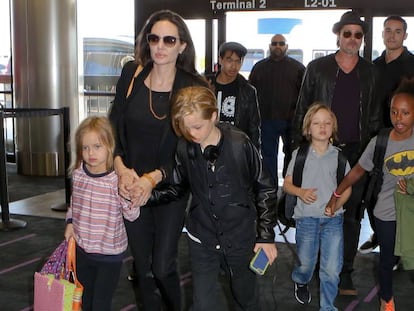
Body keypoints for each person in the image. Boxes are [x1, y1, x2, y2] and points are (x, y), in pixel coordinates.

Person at [108, 10, 209, 311]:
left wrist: (152, 178)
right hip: (130, 184)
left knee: (163, 265)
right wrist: (121, 169)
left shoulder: (194, 86)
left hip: (169, 187)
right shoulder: (132, 75)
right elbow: (113, 126)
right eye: (154, 38)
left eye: (169, 39)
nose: (160, 46)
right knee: (142, 267)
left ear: (182, 46)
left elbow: (191, 147)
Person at [151, 85, 278, 310]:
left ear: (214, 116)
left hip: (240, 237)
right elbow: (178, 188)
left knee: (245, 298)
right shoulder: (184, 147)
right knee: (203, 304)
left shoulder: (240, 144)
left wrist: (266, 236)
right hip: (202, 238)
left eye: (197, 127)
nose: (192, 134)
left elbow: (265, 188)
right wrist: (148, 197)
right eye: (185, 128)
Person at [292, 11, 382, 295]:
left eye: (358, 34)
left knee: (351, 214)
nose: (352, 39)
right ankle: (314, 268)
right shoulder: (317, 68)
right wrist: (299, 150)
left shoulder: (371, 72)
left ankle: (344, 273)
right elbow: (302, 109)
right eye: (347, 33)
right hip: (321, 150)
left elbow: (376, 116)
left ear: (362, 38)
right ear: (338, 35)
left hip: (357, 153)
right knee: (316, 211)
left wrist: (373, 154)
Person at [325, 77, 414, 311]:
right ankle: (387, 299)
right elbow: (357, 171)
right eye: (394, 112)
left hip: (412, 212)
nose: (399, 118)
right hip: (387, 212)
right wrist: (337, 193)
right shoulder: (381, 141)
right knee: (386, 260)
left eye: (405, 113)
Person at [64, 116, 140, 311]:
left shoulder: (116, 180)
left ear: (110, 147)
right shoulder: (79, 174)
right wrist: (70, 223)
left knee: (100, 304)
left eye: (97, 146)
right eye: (85, 148)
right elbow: (74, 203)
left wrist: (129, 197)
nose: (90, 153)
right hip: (82, 251)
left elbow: (132, 216)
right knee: (84, 301)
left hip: (109, 255)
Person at [284, 103, 351, 310]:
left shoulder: (339, 157)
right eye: (317, 123)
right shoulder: (300, 154)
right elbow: (286, 185)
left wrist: (336, 204)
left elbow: (347, 188)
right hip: (306, 220)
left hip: (333, 220)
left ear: (333, 127)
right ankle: (301, 279)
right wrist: (301, 192)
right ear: (308, 128)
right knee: (306, 264)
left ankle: (328, 307)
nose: (322, 127)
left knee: (331, 269)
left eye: (327, 123)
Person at [359, 15, 414, 255]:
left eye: (397, 31)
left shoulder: (412, 64)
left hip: (405, 138)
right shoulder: (374, 66)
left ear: (405, 35)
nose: (392, 35)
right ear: (382, 34)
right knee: (374, 190)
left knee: (402, 191)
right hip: (377, 138)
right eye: (388, 30)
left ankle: (401, 246)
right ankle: (380, 234)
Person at [249, 34, 305, 183]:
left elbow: (305, 95)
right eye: (275, 43)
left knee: (292, 154)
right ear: (270, 46)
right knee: (268, 156)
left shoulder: (298, 68)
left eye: (281, 43)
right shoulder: (259, 68)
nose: (278, 46)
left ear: (286, 46)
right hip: (266, 120)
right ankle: (270, 192)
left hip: (291, 121)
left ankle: (289, 190)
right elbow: (250, 93)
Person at [209, 41, 261, 149]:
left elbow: (254, 127)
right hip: (208, 143)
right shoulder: (207, 85)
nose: (234, 66)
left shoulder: (248, 90)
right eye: (229, 60)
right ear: (220, 60)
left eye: (238, 61)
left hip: (236, 146)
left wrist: (254, 153)